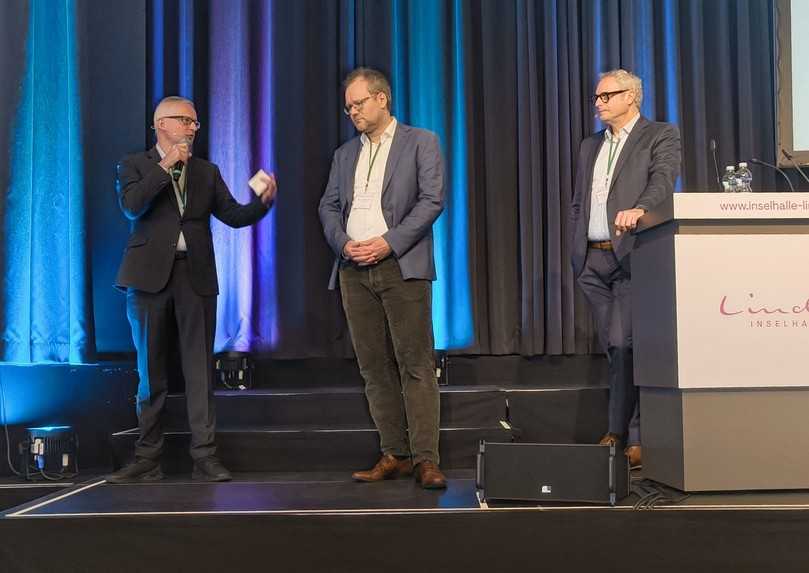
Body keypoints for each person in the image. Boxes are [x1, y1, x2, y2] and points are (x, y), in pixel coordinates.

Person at [106, 96, 277, 483]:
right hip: (148, 280)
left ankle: (205, 456)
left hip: (195, 279)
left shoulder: (206, 171)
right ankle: (147, 459)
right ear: (162, 124)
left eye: (195, 123)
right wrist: (166, 166)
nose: (192, 128)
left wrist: (263, 203)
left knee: (199, 370)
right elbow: (132, 206)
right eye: (186, 121)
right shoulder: (134, 164)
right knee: (151, 373)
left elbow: (233, 215)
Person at [318, 68, 447, 489]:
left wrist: (388, 243)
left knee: (415, 365)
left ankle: (426, 459)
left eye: (358, 103)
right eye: (348, 106)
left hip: (400, 265)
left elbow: (431, 201)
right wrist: (343, 245)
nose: (351, 111)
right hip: (354, 270)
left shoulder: (421, 142)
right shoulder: (344, 154)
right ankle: (395, 453)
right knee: (374, 367)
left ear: (382, 99)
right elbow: (328, 208)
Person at [569, 70, 681, 468]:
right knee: (616, 349)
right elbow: (580, 201)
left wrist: (641, 210)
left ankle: (627, 433)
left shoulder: (659, 135)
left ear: (631, 97)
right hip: (591, 262)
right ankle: (621, 433)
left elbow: (663, 180)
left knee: (624, 343)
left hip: (632, 255)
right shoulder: (589, 146)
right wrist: (577, 244)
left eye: (606, 96)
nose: (598, 103)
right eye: (596, 97)